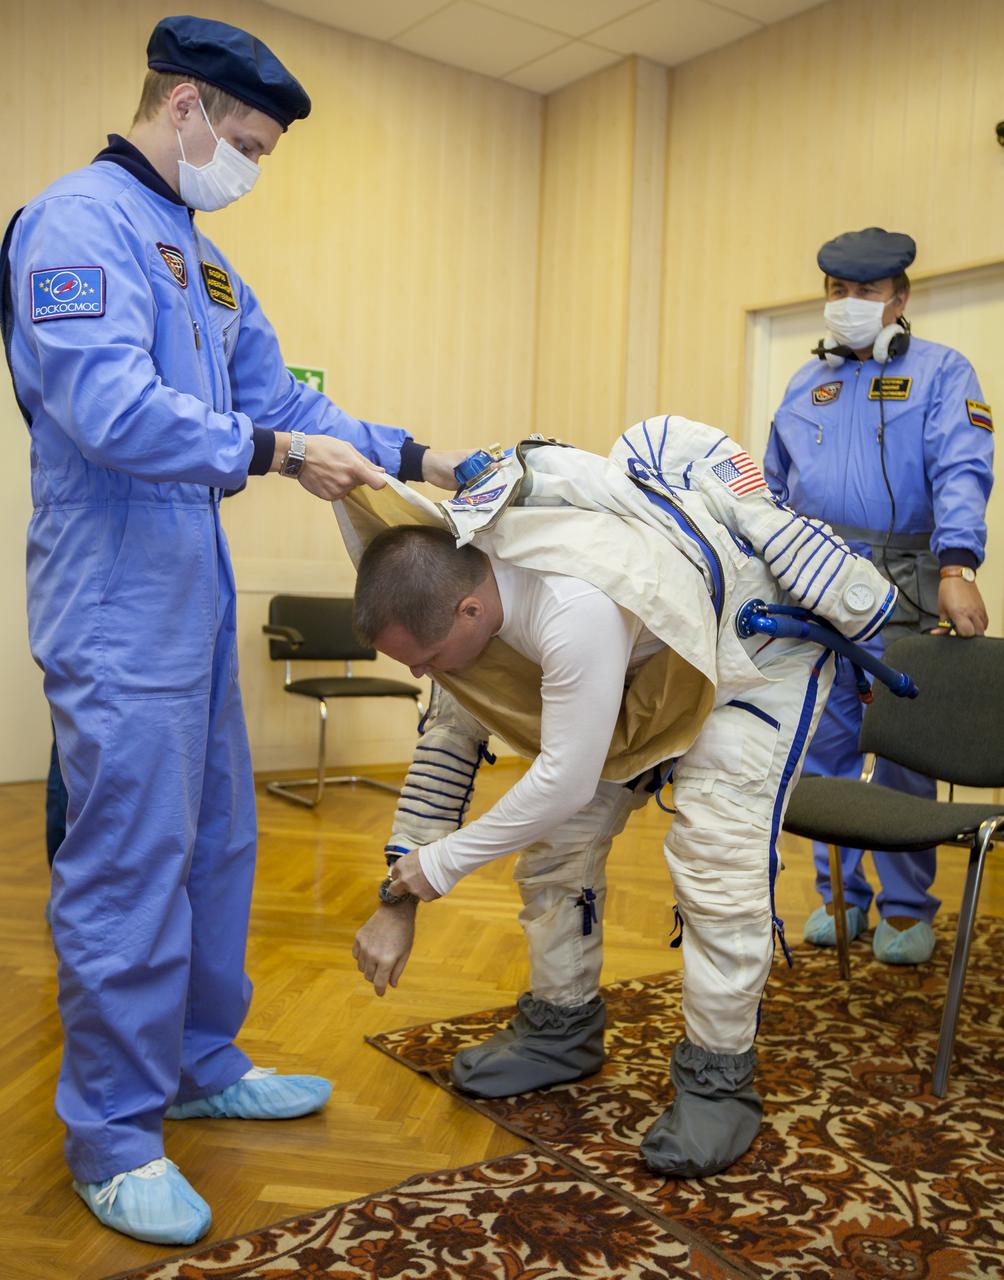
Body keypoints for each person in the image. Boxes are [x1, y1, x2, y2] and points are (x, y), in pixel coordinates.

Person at [0, 15, 466, 1246]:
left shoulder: (204, 263)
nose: (250, 167)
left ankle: (200, 1059)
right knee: (128, 864)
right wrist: (270, 451)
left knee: (215, 845)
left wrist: (423, 456)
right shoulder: (76, 223)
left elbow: (284, 395)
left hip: (191, 590)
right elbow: (104, 402)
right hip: (114, 589)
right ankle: (112, 1132)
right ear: (185, 107)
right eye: (247, 143)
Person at [346, 418, 895, 1179]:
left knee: (716, 858)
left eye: (428, 658)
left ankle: (718, 1081)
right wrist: (398, 889)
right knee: (559, 849)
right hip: (647, 656)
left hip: (754, 655)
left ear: (469, 612)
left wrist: (435, 871)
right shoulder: (465, 590)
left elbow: (565, 779)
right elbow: (446, 746)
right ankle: (560, 1028)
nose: (421, 674)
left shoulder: (571, 607)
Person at [765, 228, 994, 966]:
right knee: (822, 747)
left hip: (907, 583)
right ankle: (841, 897)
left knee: (901, 753)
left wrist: (957, 567)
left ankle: (904, 907)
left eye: (865, 291)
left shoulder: (942, 372)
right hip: (817, 579)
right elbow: (772, 487)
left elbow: (962, 468)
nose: (849, 303)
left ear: (899, 298)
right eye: (838, 290)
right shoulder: (806, 384)